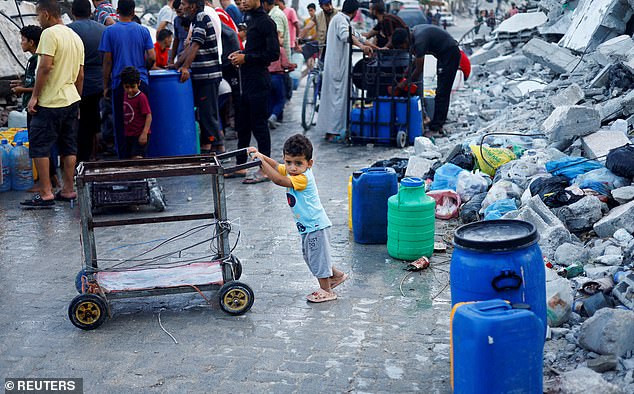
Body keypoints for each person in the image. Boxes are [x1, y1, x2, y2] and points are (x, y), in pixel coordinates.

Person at [247, 134, 348, 302]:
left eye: (298, 163)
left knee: (316, 258)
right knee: (314, 256)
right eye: (289, 162)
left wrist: (260, 162)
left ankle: (326, 290)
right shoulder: (293, 171)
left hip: (315, 226)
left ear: (309, 163)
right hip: (309, 226)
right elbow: (277, 167)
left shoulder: (303, 178)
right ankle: (336, 276)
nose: (292, 168)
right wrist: (262, 156)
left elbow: (278, 180)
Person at [21, 0, 84, 207]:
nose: (38, 20)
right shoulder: (75, 37)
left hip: (50, 102)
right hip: (71, 100)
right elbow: (80, 76)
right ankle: (68, 190)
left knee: (40, 146)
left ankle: (46, 192)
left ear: (46, 14)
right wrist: (78, 102)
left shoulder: (49, 34)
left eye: (38, 15)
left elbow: (45, 67)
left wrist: (35, 96)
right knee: (69, 147)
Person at [226, 0, 279, 184]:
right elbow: (253, 49)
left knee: (259, 126)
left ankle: (266, 170)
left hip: (259, 80)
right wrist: (240, 54)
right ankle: (240, 166)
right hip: (246, 81)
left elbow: (273, 54)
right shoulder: (248, 18)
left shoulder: (266, 22)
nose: (243, 2)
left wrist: (246, 57)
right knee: (243, 125)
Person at [99, 0, 155, 159]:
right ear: (133, 12)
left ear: (117, 12)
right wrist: (143, 70)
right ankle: (141, 157)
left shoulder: (109, 32)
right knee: (143, 119)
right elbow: (152, 56)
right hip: (140, 82)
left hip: (120, 85)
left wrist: (105, 85)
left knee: (122, 123)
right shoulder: (143, 31)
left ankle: (124, 160)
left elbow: (107, 61)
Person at [316, 0, 371, 142]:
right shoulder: (340, 20)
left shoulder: (341, 20)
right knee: (336, 101)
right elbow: (346, 35)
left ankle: (334, 131)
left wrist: (372, 46)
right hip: (337, 69)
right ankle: (332, 133)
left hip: (337, 68)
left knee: (337, 100)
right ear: (355, 12)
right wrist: (361, 46)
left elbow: (357, 35)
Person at [392, 25, 460, 137]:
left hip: (450, 54)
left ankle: (436, 128)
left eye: (402, 46)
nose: (404, 49)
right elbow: (415, 62)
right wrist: (407, 73)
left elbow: (419, 69)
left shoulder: (419, 41)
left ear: (405, 40)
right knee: (440, 90)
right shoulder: (414, 34)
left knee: (442, 92)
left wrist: (404, 83)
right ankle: (437, 124)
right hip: (443, 55)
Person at [177, 0, 224, 154]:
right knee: (205, 113)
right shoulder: (195, 20)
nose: (181, 7)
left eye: (184, 4)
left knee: (208, 114)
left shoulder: (201, 18)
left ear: (193, 6)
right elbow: (191, 47)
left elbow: (196, 45)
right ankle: (211, 145)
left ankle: (218, 147)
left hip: (208, 75)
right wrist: (176, 64)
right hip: (203, 75)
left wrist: (185, 67)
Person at [69, 0, 106, 163]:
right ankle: (96, 154)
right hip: (99, 81)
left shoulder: (69, 31)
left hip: (78, 82)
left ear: (73, 12)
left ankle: (82, 158)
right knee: (95, 119)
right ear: (90, 11)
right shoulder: (102, 29)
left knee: (81, 123)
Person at [120, 67, 152, 158]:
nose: (130, 90)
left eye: (133, 87)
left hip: (140, 133)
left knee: (137, 158)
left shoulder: (141, 97)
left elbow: (148, 116)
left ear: (139, 83)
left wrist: (144, 133)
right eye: (127, 87)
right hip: (129, 134)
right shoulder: (125, 95)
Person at [268, 33, 296, 128]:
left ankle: (273, 117)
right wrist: (293, 66)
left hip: (267, 76)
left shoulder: (267, 49)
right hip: (278, 76)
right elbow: (285, 64)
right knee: (281, 99)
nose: (282, 39)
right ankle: (274, 116)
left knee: (271, 98)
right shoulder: (280, 50)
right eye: (281, 37)